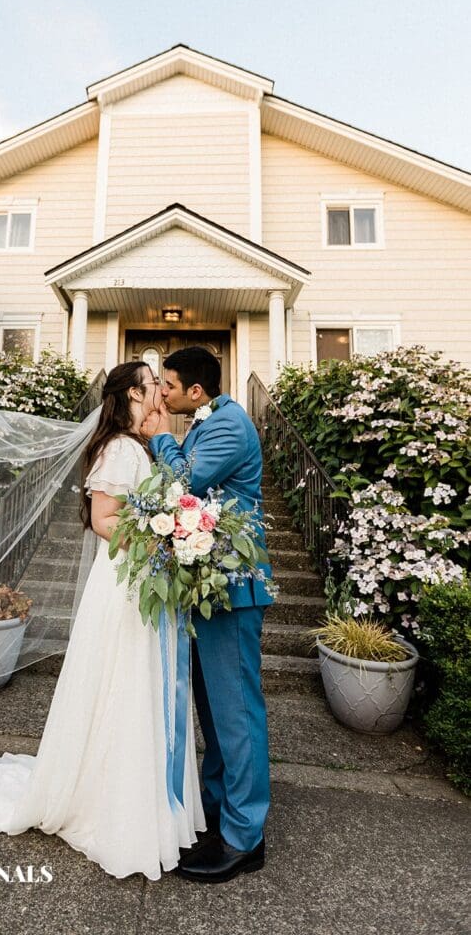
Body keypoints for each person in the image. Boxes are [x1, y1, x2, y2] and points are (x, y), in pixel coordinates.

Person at [0, 361, 206, 881]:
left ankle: (144, 800)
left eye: (162, 385)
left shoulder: (140, 446)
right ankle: (111, 808)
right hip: (124, 584)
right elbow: (102, 520)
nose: (160, 392)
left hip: (143, 580)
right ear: (129, 396)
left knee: (143, 687)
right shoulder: (117, 447)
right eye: (150, 386)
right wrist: (163, 538)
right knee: (124, 685)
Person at [141, 345, 274, 884]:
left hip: (234, 586)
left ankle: (246, 838)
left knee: (236, 712)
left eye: (168, 386)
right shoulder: (207, 420)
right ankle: (220, 811)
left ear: (196, 391)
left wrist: (160, 439)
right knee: (215, 712)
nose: (163, 394)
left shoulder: (228, 424)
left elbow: (186, 483)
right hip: (207, 587)